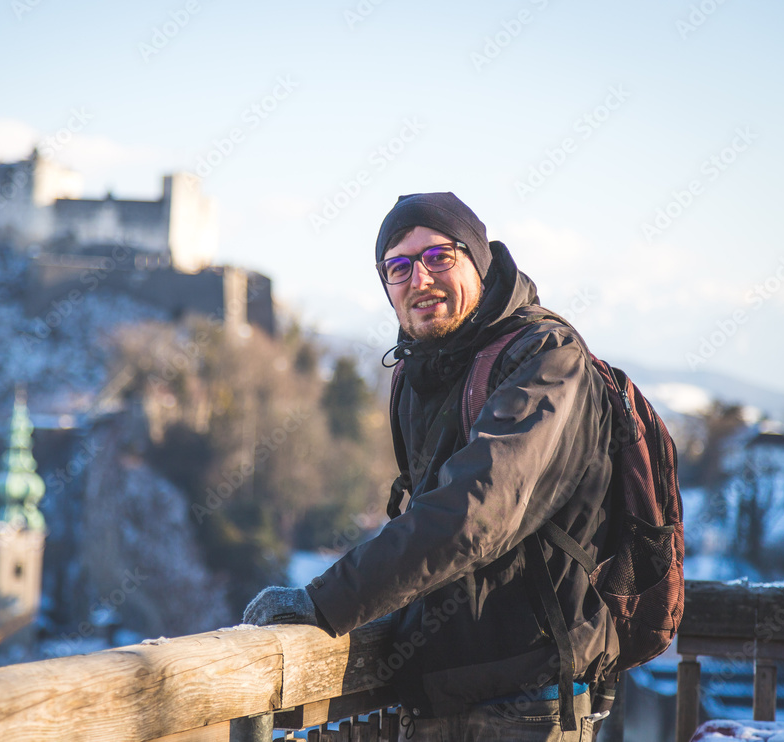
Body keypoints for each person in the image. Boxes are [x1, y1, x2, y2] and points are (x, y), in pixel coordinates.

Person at [243, 193, 619, 741]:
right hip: (436, 695)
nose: (419, 279)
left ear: (479, 261)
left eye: (438, 256)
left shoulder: (548, 359)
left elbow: (475, 513)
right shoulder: (423, 368)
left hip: (528, 703)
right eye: (397, 267)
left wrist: (325, 601)